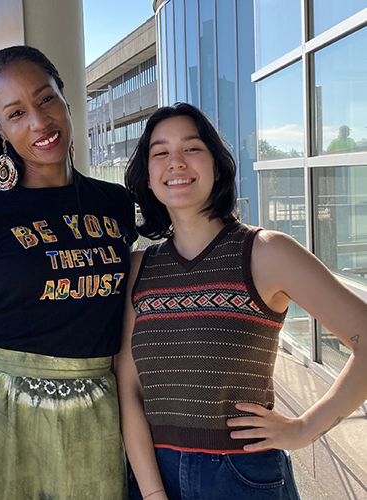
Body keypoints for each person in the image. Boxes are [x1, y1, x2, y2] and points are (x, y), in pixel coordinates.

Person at [115, 102, 367, 500]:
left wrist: (304, 429)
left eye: (192, 148)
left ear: (217, 165)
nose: (176, 162)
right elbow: (128, 388)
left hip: (243, 476)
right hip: (153, 474)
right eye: (160, 153)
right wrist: (151, 493)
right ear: (147, 177)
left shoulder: (267, 253)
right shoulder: (139, 268)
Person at [0, 45, 137, 500]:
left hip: (96, 418)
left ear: (64, 98)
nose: (39, 122)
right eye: (16, 113)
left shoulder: (115, 203)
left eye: (45, 100)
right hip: (0, 416)